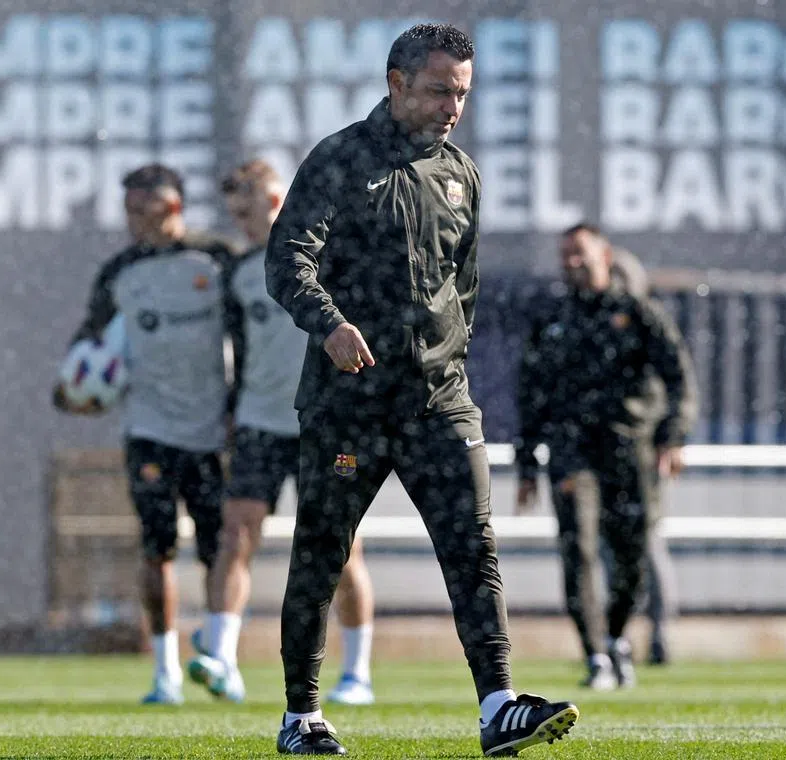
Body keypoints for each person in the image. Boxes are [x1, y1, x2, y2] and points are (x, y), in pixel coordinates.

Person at [265, 23, 578, 757]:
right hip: (351, 401)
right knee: (323, 552)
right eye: (440, 90)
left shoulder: (461, 174)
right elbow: (286, 261)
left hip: (437, 399)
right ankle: (300, 716)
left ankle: (498, 706)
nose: (452, 107)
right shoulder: (341, 160)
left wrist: (448, 362)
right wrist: (332, 324)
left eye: (462, 93)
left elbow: (460, 287)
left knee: (474, 547)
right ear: (396, 82)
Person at [187, 158, 378, 707]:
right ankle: (221, 655)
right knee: (236, 534)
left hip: (327, 422)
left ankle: (357, 672)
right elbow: (238, 354)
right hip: (259, 423)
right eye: (237, 215)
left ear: (281, 203)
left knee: (342, 547)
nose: (247, 223)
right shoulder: (242, 272)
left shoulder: (328, 259)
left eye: (255, 210)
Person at [54, 163, 238, 705]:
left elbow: (249, 335)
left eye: (144, 209)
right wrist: (73, 390)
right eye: (129, 210)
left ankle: (221, 659)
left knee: (218, 553)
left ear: (174, 207)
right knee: (156, 550)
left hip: (211, 433)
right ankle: (165, 674)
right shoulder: (119, 273)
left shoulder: (218, 260)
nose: (134, 221)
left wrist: (237, 404)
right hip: (150, 431)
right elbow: (85, 348)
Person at [514, 223, 697, 691]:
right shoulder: (552, 318)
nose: (572, 263)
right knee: (578, 550)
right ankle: (595, 655)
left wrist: (673, 437)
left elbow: (679, 377)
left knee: (633, 556)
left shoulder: (637, 313)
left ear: (605, 254)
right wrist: (527, 463)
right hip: (572, 453)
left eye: (580, 253)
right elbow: (531, 395)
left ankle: (615, 637)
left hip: (630, 451)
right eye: (565, 255)